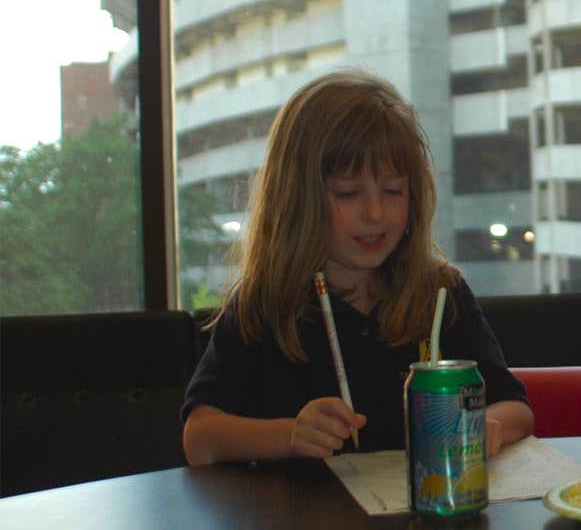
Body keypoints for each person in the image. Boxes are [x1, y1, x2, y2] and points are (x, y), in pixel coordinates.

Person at [182, 70, 533, 465]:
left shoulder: (439, 294)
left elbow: (515, 408)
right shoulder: (264, 304)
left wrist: (482, 424)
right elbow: (200, 437)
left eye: (393, 190)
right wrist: (290, 435)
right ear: (298, 197)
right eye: (348, 193)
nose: (375, 212)